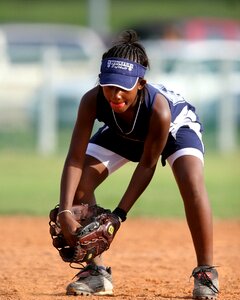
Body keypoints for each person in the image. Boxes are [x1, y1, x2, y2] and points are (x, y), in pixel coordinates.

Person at [57, 29, 219, 299]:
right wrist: (65, 211)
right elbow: (74, 158)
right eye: (109, 85)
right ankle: (97, 274)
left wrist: (118, 215)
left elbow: (146, 164)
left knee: (191, 183)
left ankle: (206, 271)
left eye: (124, 87)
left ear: (140, 84)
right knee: (82, 179)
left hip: (174, 128)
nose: (115, 94)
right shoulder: (93, 100)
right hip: (124, 131)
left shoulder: (159, 109)